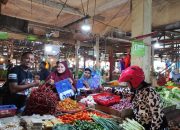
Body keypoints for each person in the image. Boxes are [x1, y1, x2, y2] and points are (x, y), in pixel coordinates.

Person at [118, 66, 168, 130]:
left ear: (134, 81)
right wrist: (111, 90)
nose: (127, 84)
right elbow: (124, 92)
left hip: (154, 126)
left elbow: (157, 116)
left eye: (127, 82)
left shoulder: (150, 92)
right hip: (143, 124)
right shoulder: (136, 89)